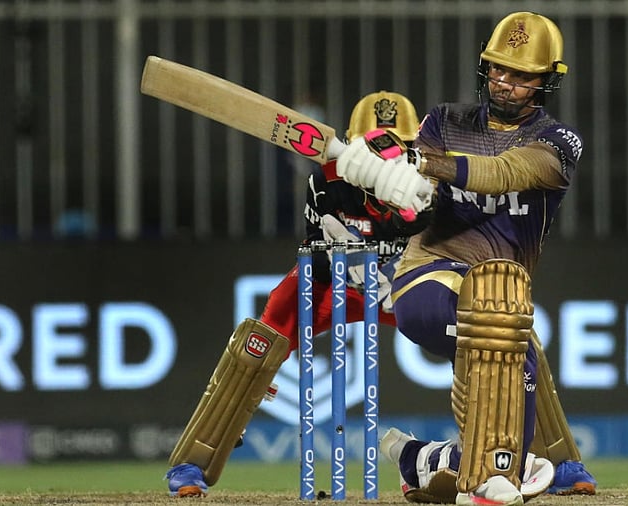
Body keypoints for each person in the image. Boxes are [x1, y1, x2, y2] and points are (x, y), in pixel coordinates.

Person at [335, 11, 595, 506]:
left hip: (499, 288)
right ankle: (499, 472)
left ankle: (438, 460)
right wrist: (386, 177)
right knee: (502, 328)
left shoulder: (558, 144)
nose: (505, 82)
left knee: (511, 344)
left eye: (521, 75)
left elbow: (500, 172)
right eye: (498, 69)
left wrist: (421, 162)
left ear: (547, 81)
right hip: (425, 277)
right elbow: (419, 197)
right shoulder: (443, 120)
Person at [164, 90, 431, 497]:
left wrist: (419, 209)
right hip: (334, 281)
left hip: (407, 282)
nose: (389, 160)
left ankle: (537, 458)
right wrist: (396, 223)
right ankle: (195, 460)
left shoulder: (433, 184)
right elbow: (325, 258)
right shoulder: (326, 180)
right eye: (377, 150)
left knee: (482, 331)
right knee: (258, 341)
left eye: (400, 148)